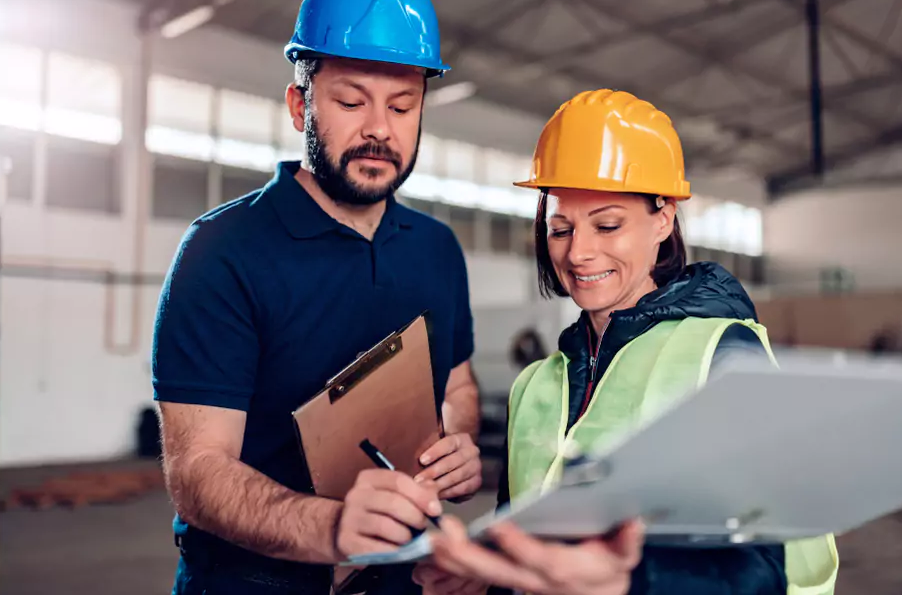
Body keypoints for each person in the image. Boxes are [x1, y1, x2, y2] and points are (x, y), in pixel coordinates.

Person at [349, 89, 840, 594]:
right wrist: (486, 571)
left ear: (663, 219)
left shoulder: (721, 355)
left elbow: (765, 572)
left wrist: (631, 583)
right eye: (560, 228)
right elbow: (520, 542)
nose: (579, 252)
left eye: (607, 225)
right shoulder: (536, 386)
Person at [152, 0, 483, 594]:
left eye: (402, 105)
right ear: (299, 103)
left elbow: (459, 384)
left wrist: (454, 444)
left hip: (400, 579)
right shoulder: (223, 251)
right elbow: (197, 470)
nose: (379, 129)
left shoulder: (438, 250)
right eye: (351, 101)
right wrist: (333, 529)